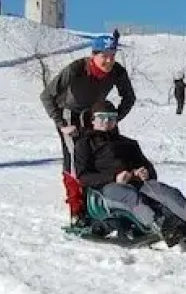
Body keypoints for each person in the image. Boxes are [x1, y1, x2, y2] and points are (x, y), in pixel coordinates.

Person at [73, 100, 186, 246]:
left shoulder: (128, 143)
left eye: (111, 117)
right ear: (93, 120)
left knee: (165, 191)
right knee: (130, 195)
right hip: (106, 190)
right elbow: (83, 177)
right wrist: (114, 178)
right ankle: (162, 227)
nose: (107, 122)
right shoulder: (85, 144)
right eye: (102, 117)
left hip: (136, 183)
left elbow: (149, 168)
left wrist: (145, 172)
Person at [41, 33, 136, 220]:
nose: (108, 61)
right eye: (104, 56)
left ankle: (107, 203)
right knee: (76, 161)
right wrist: (62, 124)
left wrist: (116, 117)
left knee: (107, 154)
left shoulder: (117, 71)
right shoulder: (76, 69)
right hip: (69, 115)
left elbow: (129, 97)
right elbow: (46, 96)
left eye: (112, 56)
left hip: (96, 115)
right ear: (94, 55)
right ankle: (77, 210)